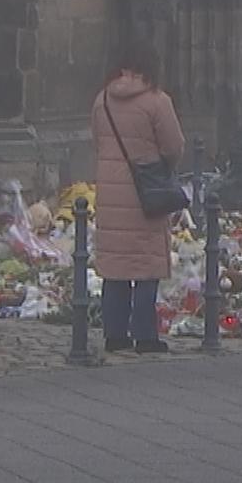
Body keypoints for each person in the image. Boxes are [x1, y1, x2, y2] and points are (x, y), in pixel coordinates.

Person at [90, 42, 187, 354]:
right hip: (146, 190)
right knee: (146, 266)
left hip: (110, 190)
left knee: (115, 266)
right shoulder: (158, 101)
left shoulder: (102, 100)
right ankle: (145, 335)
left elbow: (98, 141)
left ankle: (115, 334)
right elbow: (174, 146)